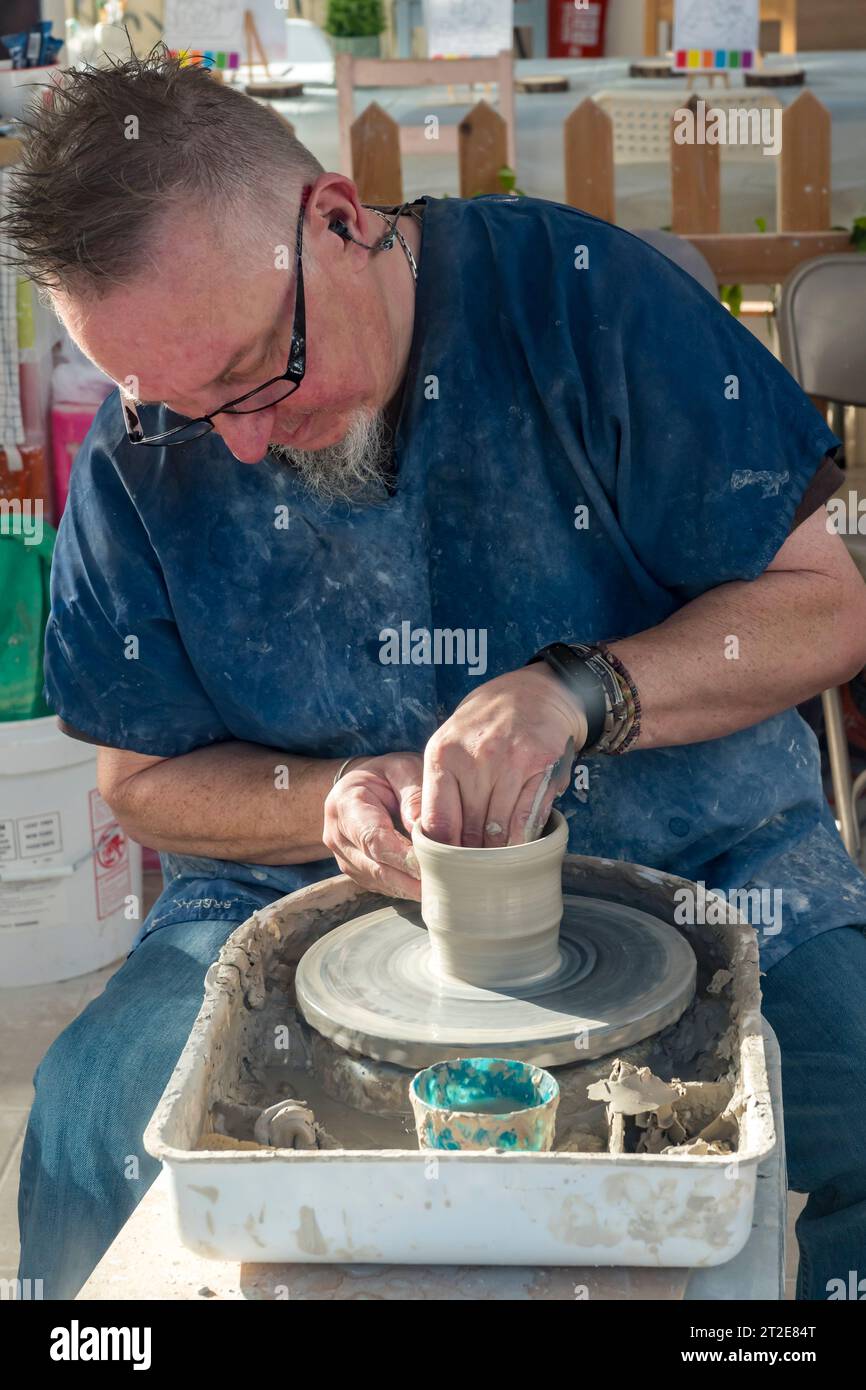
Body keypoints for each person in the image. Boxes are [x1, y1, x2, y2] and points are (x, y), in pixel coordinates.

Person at [4, 51, 866, 1300]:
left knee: (847, 1115)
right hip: (282, 896)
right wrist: (324, 796)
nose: (234, 441)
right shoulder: (147, 450)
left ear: (340, 221)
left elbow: (826, 611)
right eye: (176, 406)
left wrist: (583, 691)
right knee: (92, 1126)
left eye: (254, 372)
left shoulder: (586, 303)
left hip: (707, 860)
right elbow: (138, 780)